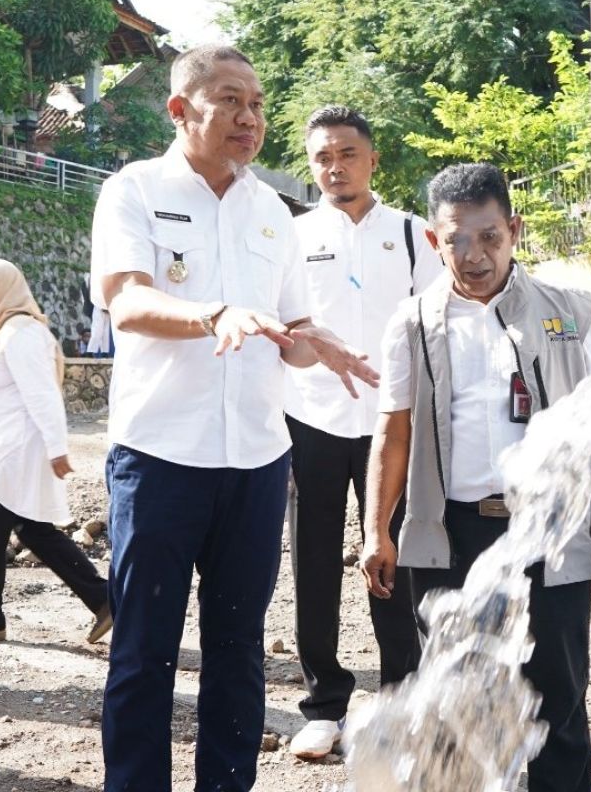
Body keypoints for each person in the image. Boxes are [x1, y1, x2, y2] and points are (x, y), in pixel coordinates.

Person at [90, 45, 379, 792]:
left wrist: (320, 345)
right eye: (230, 101)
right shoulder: (135, 191)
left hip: (255, 460)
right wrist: (210, 312)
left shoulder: (272, 213)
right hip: (159, 456)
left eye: (255, 102)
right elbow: (126, 302)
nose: (249, 117)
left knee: (238, 651)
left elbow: (292, 333)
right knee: (144, 651)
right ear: (181, 109)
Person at [358, 163, 591, 792]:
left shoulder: (567, 312)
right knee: (451, 695)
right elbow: (395, 431)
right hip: (451, 534)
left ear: (514, 230)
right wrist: (376, 531)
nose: (474, 255)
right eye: (457, 240)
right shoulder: (411, 324)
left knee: (558, 695)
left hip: (549, 531)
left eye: (489, 236)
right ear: (435, 242)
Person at [283, 104, 444, 759]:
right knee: (313, 564)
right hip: (311, 418)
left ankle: (401, 699)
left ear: (372, 158)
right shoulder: (290, 236)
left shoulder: (411, 234)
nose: (334, 167)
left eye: (347, 154)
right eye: (322, 157)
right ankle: (323, 704)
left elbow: (438, 324)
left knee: (395, 563)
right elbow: (281, 324)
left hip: (393, 425)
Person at [0, 258, 112, 646]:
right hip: (3, 447)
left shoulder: (21, 333)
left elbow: (43, 395)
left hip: (13, 452)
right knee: (34, 530)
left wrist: (58, 450)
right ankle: (105, 598)